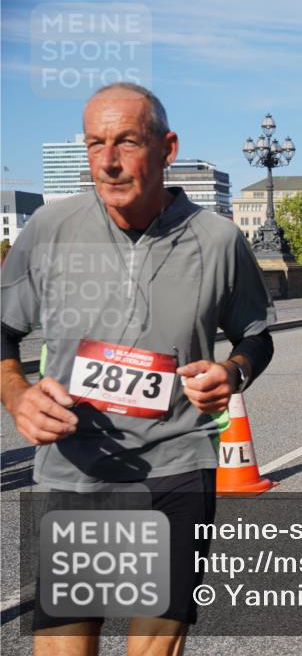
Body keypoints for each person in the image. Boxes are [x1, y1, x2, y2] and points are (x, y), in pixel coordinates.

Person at [0, 83, 275, 655]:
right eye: (95, 143)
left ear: (167, 147)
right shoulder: (50, 229)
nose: (107, 160)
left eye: (126, 141)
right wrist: (17, 394)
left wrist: (236, 372)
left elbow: (255, 334)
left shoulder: (218, 239)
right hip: (78, 469)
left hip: (175, 467)